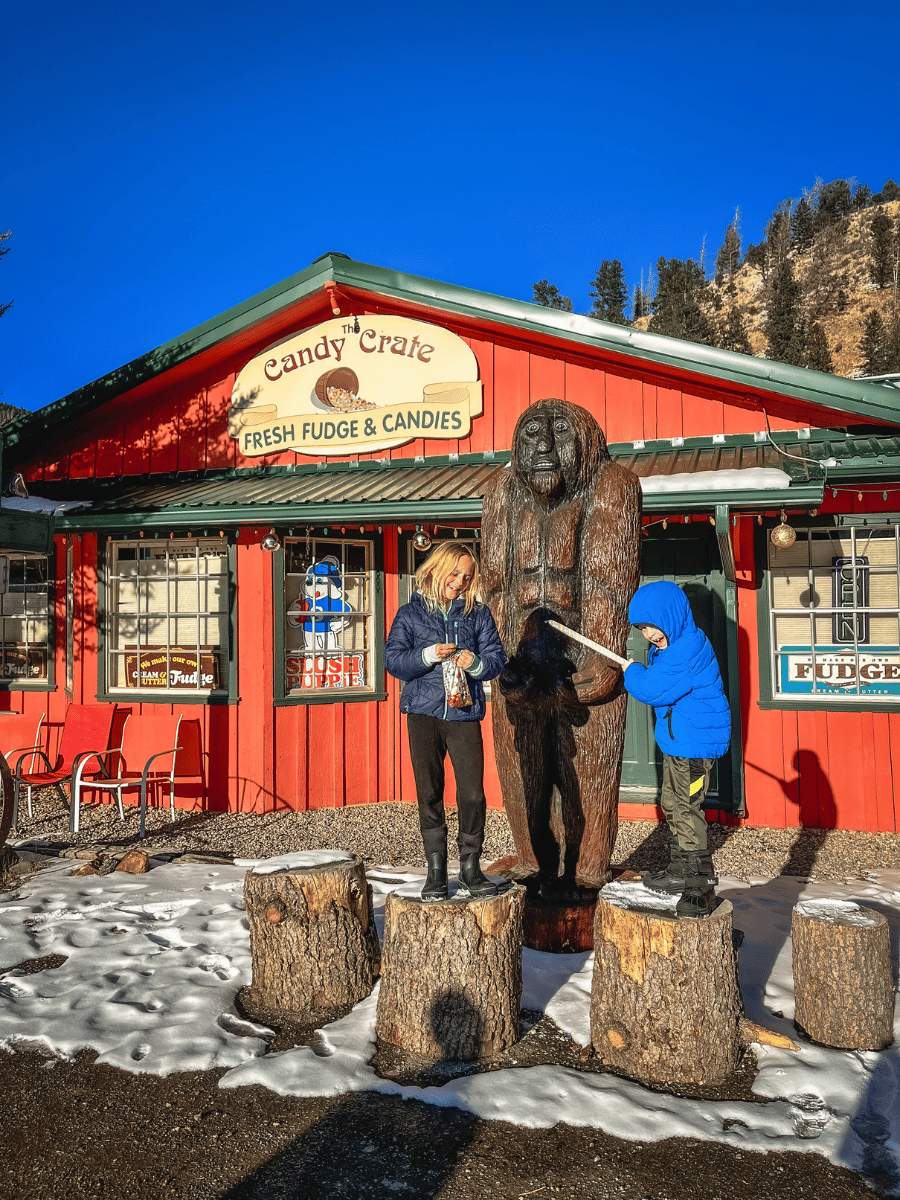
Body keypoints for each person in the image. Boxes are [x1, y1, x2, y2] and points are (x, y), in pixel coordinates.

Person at [385, 542, 507, 902]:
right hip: (423, 714)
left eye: (467, 576)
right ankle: (436, 871)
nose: (460, 581)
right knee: (429, 793)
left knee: (472, 794)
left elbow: (496, 659)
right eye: (454, 573)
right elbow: (394, 662)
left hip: (464, 713)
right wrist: (426, 655)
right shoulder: (409, 614)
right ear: (436, 569)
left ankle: (470, 867)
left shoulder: (478, 615)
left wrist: (475, 665)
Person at [621, 581, 731, 918]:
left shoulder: (686, 650)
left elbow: (652, 690)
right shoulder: (675, 647)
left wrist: (632, 670)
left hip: (694, 747)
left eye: (654, 626)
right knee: (672, 802)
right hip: (681, 743)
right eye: (642, 629)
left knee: (686, 808)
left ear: (672, 617)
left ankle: (700, 886)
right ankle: (680, 869)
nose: (649, 635)